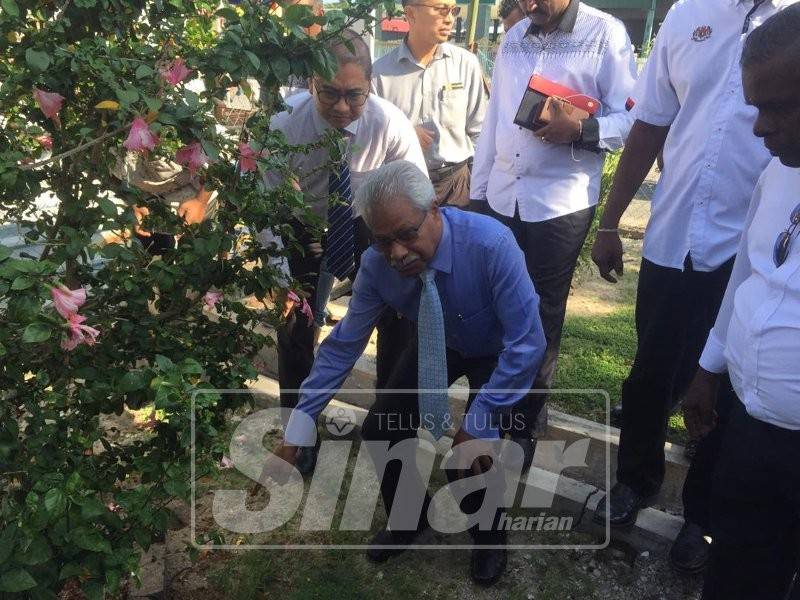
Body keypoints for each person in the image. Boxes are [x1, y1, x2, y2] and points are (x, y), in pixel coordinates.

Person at [591, 0, 798, 574]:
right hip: (675, 237)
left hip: (756, 254)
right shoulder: (688, 13)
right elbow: (650, 122)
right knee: (652, 373)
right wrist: (610, 223)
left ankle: (701, 516)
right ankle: (635, 479)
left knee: (731, 394)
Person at [269, 160, 546, 586]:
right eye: (383, 241)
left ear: (434, 209)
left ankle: (489, 537)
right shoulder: (376, 265)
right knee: (381, 426)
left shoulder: (491, 244)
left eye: (407, 234)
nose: (396, 253)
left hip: (499, 351)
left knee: (469, 454)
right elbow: (344, 345)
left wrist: (479, 420)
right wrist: (299, 425)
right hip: (440, 339)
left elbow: (528, 343)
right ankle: (408, 517)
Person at [470, 0, 636, 467]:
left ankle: (523, 423)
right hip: (502, 196)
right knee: (495, 308)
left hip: (559, 204)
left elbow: (634, 118)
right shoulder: (514, 38)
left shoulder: (606, 34)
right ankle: (489, 410)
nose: (528, 4)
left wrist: (580, 129)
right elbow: (494, 123)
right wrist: (479, 198)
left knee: (541, 314)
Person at [265, 30, 428, 476]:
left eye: (353, 96)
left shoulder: (389, 124)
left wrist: (406, 257)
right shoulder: (283, 124)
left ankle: (390, 429)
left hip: (371, 223)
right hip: (304, 220)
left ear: (371, 85)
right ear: (311, 83)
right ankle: (299, 434)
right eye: (329, 93)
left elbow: (417, 197)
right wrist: (279, 277)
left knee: (398, 321)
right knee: (296, 326)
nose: (341, 107)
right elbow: (266, 208)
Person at [681, 8, 800, 597]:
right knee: (738, 572)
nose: (760, 128)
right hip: (752, 427)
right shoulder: (775, 176)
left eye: (779, 107)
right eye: (756, 107)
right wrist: (708, 368)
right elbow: (745, 279)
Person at [372, 0, 487, 207]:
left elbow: (479, 131)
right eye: (441, 9)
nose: (450, 18)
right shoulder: (379, 74)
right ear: (410, 14)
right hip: (403, 189)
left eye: (453, 10)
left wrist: (476, 186)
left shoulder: (466, 64)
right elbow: (371, 139)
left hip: (457, 187)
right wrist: (404, 134)